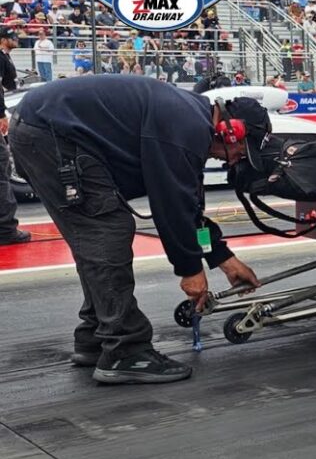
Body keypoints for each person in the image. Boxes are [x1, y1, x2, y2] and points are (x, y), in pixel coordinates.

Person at [8, 76, 266, 384]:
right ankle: (125, 350)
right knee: (107, 232)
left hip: (43, 129)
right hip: (51, 134)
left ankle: (95, 336)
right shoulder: (185, 128)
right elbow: (170, 205)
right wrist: (190, 269)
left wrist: (223, 258)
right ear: (231, 131)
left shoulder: (189, 120)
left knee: (97, 236)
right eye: (242, 153)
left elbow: (188, 210)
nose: (236, 161)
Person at [0, 25, 28, 245]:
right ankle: (6, 230)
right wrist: (1, 114)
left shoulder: (4, 58)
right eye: (12, 37)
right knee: (2, 172)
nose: (16, 39)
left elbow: (9, 82)